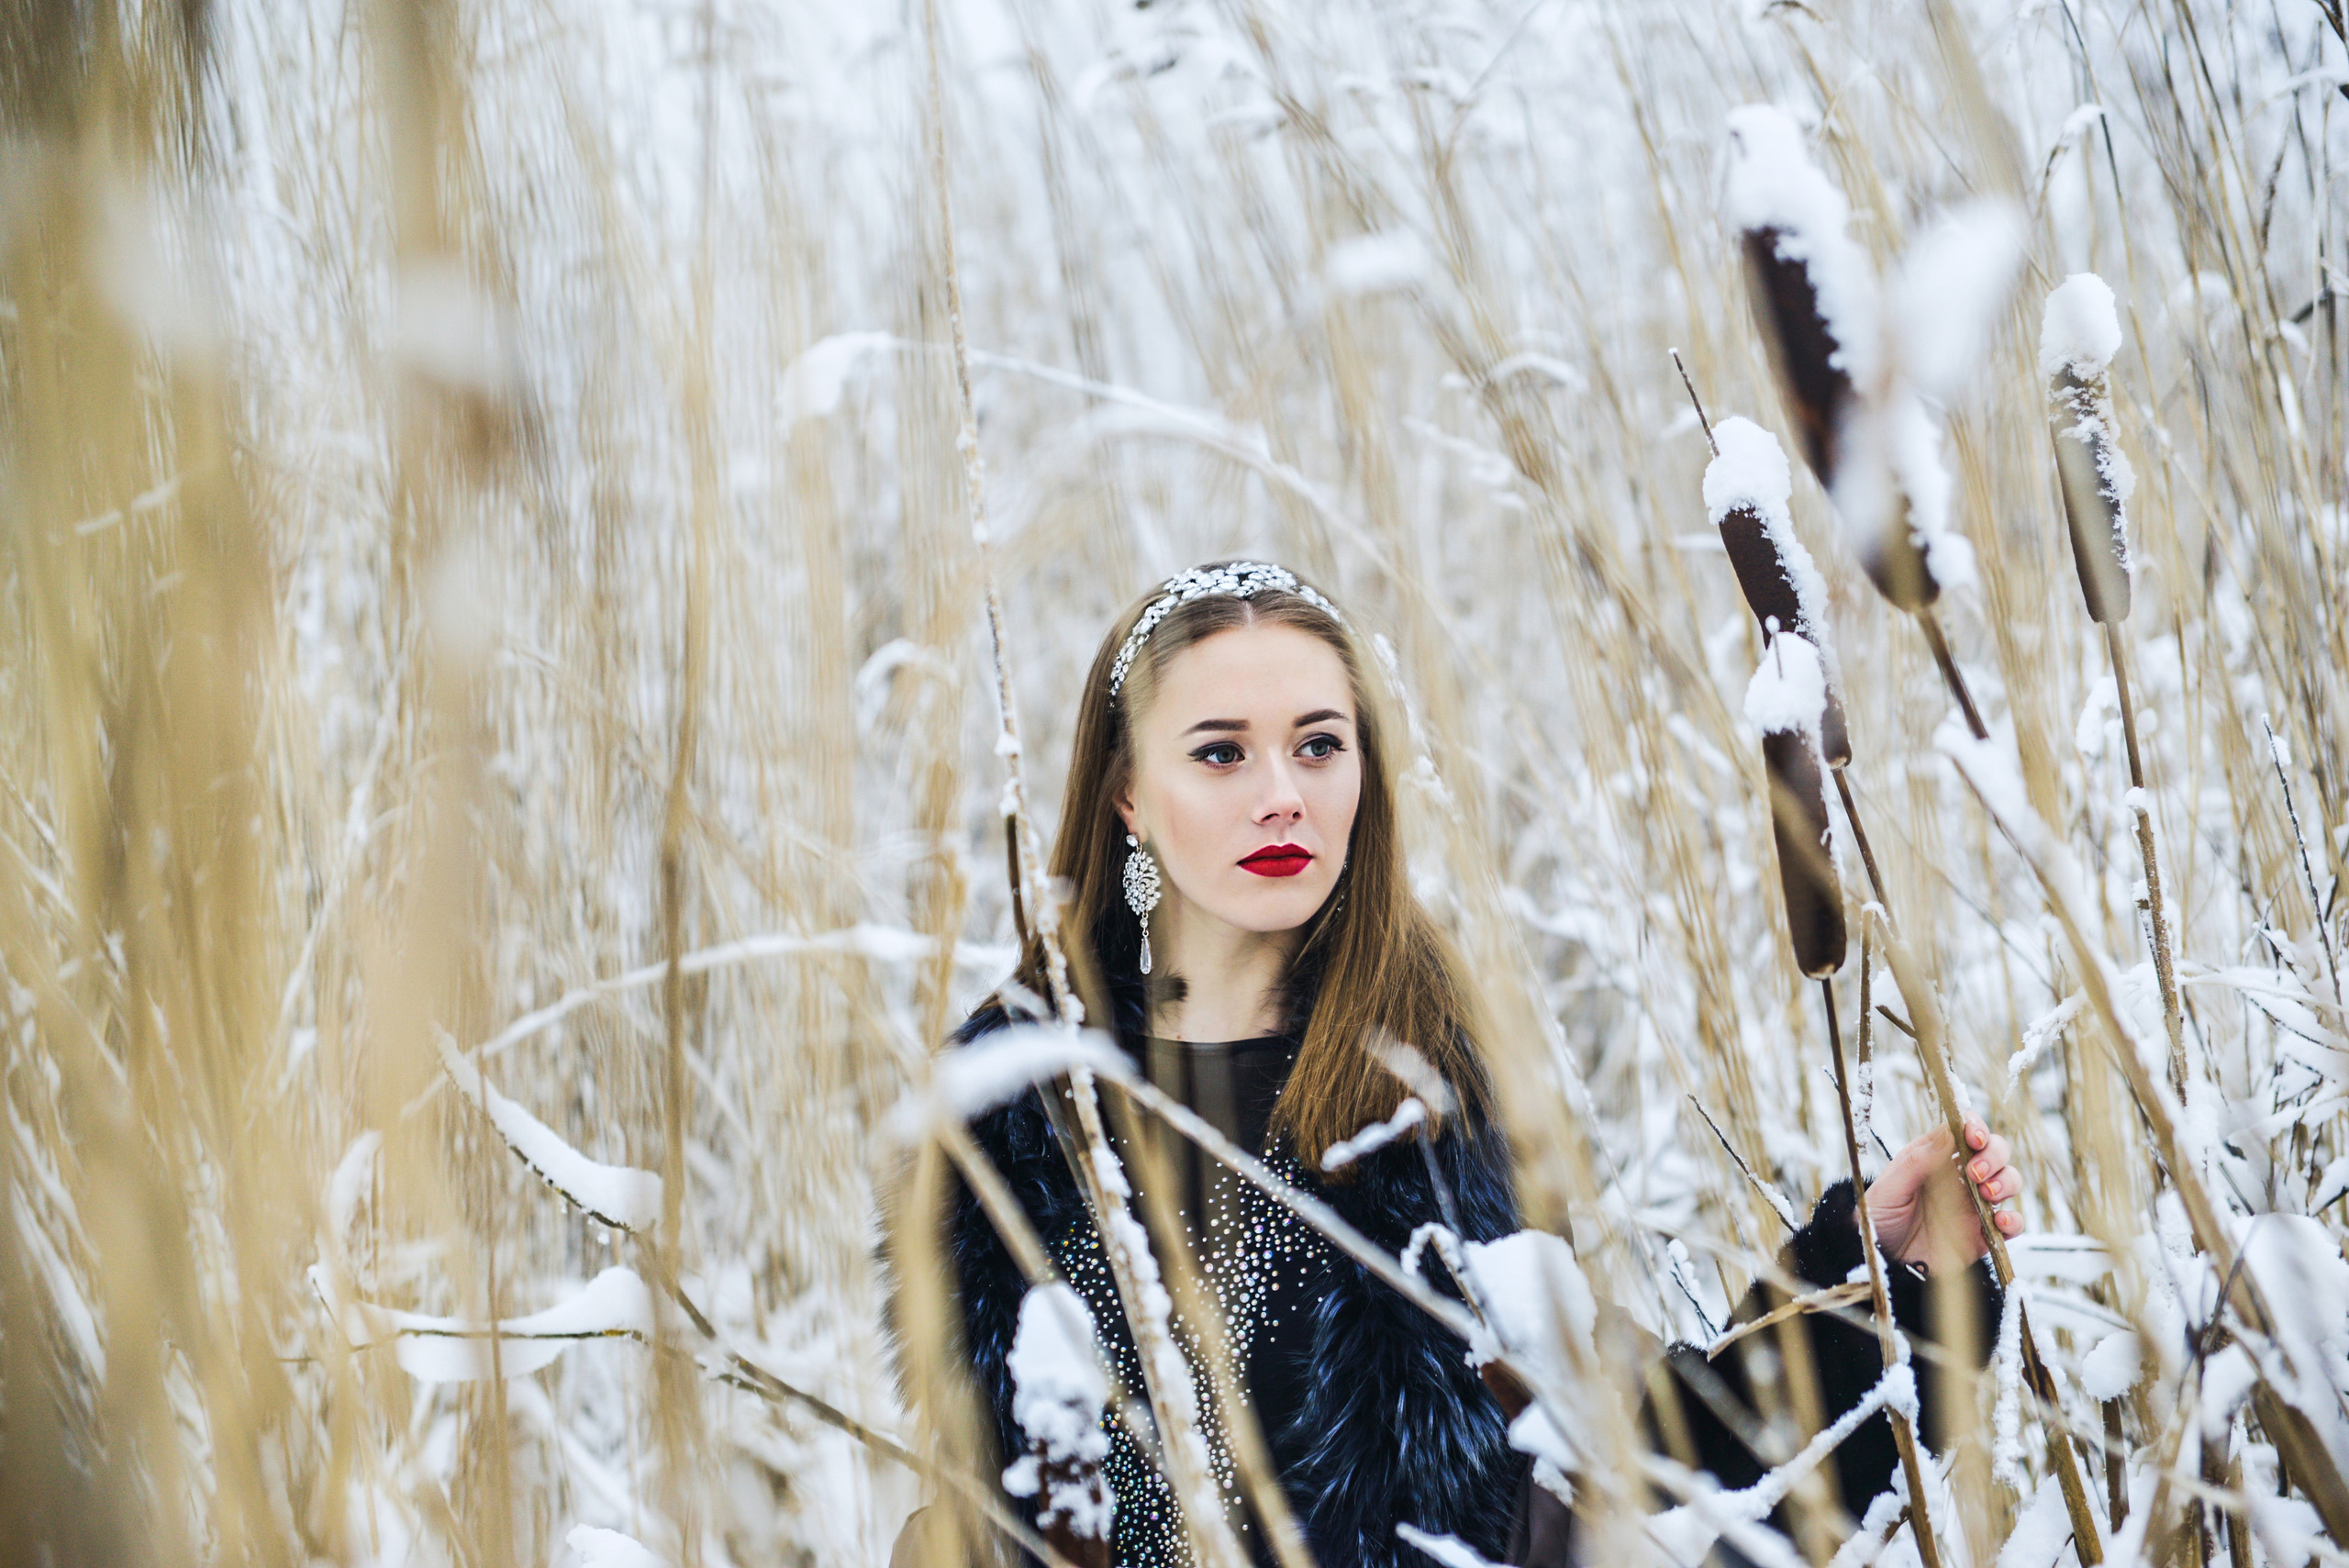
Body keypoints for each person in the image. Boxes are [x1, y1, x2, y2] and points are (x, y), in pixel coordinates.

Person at [907, 562, 2022, 1567]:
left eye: (1317, 743)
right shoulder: (1017, 1110)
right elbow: (976, 1506)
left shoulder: (1427, 1090)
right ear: (1127, 795)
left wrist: (1869, 1282)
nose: (1281, 791)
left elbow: (1632, 1446)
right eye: (1219, 751)